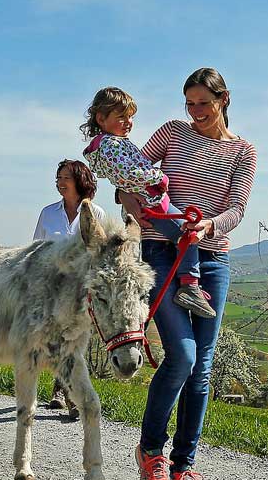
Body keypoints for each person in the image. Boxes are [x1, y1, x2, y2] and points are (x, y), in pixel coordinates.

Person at [119, 68, 256, 480]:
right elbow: (127, 173)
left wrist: (208, 226)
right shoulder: (173, 132)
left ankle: (184, 466)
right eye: (190, 103)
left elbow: (236, 209)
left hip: (211, 259)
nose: (196, 112)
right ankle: (151, 452)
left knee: (201, 369)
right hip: (162, 253)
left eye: (204, 103)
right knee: (182, 355)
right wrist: (129, 200)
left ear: (223, 99)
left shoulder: (243, 151)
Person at [82, 86, 214, 318]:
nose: (128, 122)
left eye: (130, 117)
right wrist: (159, 177)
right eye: (121, 117)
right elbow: (129, 173)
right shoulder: (111, 146)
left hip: (149, 200)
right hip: (152, 202)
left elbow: (123, 176)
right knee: (188, 235)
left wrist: (125, 192)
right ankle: (190, 286)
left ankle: (188, 283)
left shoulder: (111, 144)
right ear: (101, 119)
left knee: (184, 234)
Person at [33, 159, 106, 418]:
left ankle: (67, 392)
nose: (60, 182)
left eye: (65, 178)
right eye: (58, 178)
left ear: (80, 180)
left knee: (74, 341)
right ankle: (63, 389)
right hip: (51, 287)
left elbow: (100, 252)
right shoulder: (48, 213)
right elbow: (36, 248)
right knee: (54, 339)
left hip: (80, 289)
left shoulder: (97, 214)